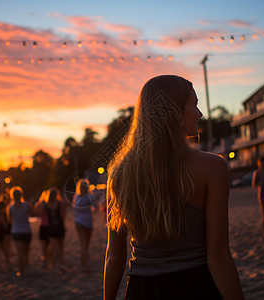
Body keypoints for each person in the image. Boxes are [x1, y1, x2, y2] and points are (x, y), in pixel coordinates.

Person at [104, 75, 244, 299]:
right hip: (196, 286)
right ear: (174, 113)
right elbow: (217, 257)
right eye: (195, 105)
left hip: (142, 290)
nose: (200, 114)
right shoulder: (212, 167)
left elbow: (115, 257)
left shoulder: (120, 174)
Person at [9, 186, 32, 277]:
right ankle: (26, 270)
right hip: (26, 230)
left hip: (16, 231)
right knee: (26, 253)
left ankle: (21, 271)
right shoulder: (26, 205)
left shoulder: (11, 207)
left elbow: (10, 220)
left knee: (19, 253)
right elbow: (32, 213)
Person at [73, 179, 95, 272]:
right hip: (87, 222)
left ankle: (83, 265)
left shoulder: (76, 197)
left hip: (78, 222)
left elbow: (74, 208)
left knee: (83, 244)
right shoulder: (89, 196)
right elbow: (96, 208)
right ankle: (85, 265)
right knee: (86, 244)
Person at [46, 187, 66, 272]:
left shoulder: (47, 205)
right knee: (60, 248)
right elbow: (63, 216)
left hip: (51, 228)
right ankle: (60, 264)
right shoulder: (60, 204)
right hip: (59, 227)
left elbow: (41, 215)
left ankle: (53, 265)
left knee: (54, 247)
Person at [35, 190, 51, 268]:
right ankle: (47, 259)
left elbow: (37, 212)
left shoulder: (42, 204)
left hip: (43, 226)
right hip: (48, 226)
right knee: (48, 244)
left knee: (44, 244)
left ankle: (45, 259)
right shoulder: (49, 204)